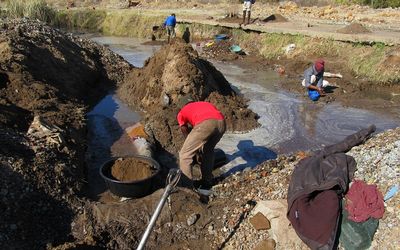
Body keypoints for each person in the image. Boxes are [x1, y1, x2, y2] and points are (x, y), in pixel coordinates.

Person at [177, 99, 226, 190]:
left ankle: (187, 187)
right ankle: (207, 181)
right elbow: (213, 120)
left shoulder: (182, 111)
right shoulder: (205, 104)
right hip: (221, 123)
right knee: (208, 151)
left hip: (206, 123)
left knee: (184, 155)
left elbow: (184, 129)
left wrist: (191, 148)